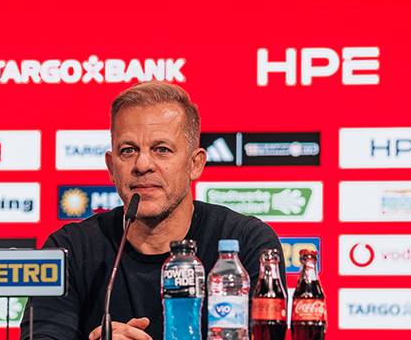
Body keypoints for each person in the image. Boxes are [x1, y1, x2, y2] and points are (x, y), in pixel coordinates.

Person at [21, 81, 284, 340]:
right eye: (128, 150)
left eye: (161, 149)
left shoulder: (245, 243)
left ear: (195, 164)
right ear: (112, 167)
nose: (142, 164)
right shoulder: (70, 249)